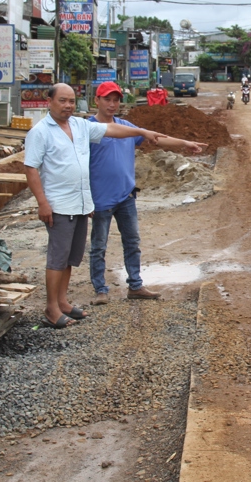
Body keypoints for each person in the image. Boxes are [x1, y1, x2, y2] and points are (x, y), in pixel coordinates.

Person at [24, 83, 166, 329]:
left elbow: (112, 129)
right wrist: (42, 203)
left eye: (71, 101)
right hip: (58, 205)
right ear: (50, 102)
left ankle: (63, 302)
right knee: (57, 258)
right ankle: (51, 308)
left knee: (70, 257)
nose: (68, 105)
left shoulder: (79, 126)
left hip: (80, 204)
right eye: (62, 101)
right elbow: (30, 168)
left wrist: (142, 131)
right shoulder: (40, 132)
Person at [87, 81, 206, 305]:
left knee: (132, 242)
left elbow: (155, 137)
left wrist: (184, 143)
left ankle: (135, 285)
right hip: (100, 199)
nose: (112, 104)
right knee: (98, 246)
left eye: (116, 100)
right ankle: (100, 289)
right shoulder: (88, 129)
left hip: (126, 196)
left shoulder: (126, 127)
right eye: (107, 99)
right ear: (97, 100)